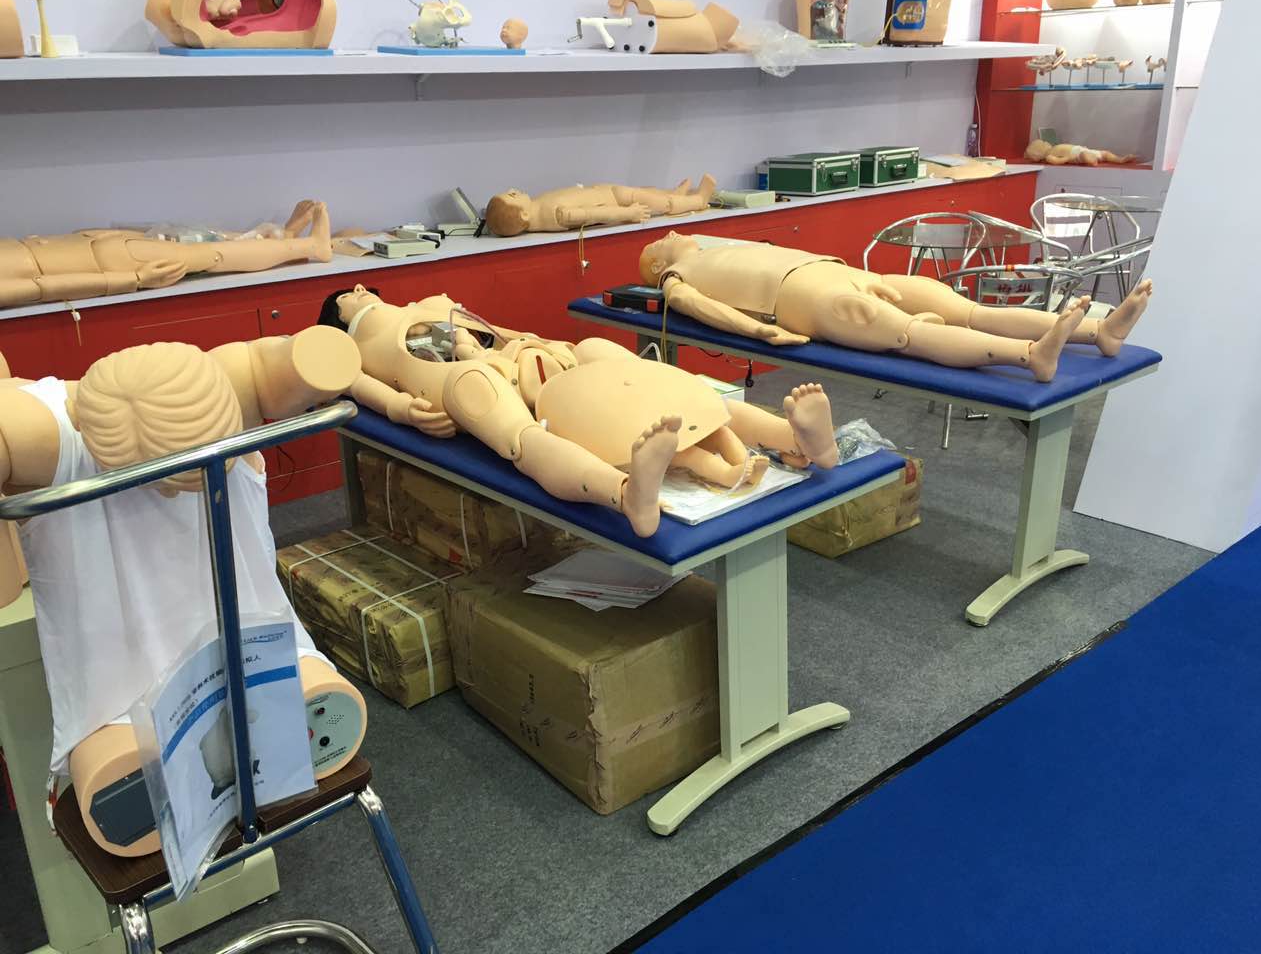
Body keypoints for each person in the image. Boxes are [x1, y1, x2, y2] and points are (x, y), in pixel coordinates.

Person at [0, 327, 365, 856]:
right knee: (114, 764)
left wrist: (311, 361)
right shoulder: (40, 434)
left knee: (307, 694)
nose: (177, 498)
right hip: (116, 690)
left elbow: (307, 358)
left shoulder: (230, 386)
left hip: (252, 649)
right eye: (169, 486)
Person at [320, 287, 839, 533]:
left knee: (618, 360)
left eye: (360, 288)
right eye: (345, 297)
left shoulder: (429, 304)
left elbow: (497, 330)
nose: (359, 290)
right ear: (337, 320)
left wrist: (547, 348)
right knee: (497, 411)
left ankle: (793, 438)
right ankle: (627, 493)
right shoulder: (352, 346)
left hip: (529, 356)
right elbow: (354, 385)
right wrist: (400, 409)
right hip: (473, 383)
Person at [639, 231, 1154, 382]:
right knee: (911, 333)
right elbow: (704, 310)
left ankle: (1098, 332)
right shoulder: (675, 277)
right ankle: (1029, 355)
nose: (673, 233)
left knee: (963, 308)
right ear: (658, 261)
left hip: (833, 271)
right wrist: (761, 333)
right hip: (805, 299)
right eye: (663, 240)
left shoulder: (716, 246)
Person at [0, 200, 332, 309]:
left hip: (86, 245)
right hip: (106, 261)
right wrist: (133, 279)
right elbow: (43, 288)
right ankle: (308, 246)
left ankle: (285, 240)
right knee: (212, 254)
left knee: (194, 239)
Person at [485, 176, 717, 237]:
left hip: (606, 192)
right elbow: (596, 214)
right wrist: (628, 213)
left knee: (647, 191)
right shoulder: (559, 215)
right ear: (524, 214)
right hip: (612, 200)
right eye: (512, 195)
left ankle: (676, 196)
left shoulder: (537, 206)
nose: (513, 189)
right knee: (657, 203)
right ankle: (698, 201)